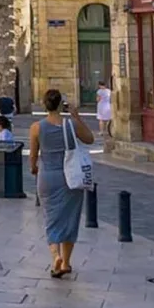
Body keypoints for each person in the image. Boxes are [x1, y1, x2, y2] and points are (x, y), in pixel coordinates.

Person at [31, 88, 95, 279]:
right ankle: (66, 262)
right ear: (61, 105)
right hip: (71, 177)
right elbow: (90, 139)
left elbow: (33, 155)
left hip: (48, 177)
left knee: (51, 219)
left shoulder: (37, 127)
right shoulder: (71, 125)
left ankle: (55, 257)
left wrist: (34, 168)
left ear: (45, 105)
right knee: (70, 218)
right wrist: (77, 116)